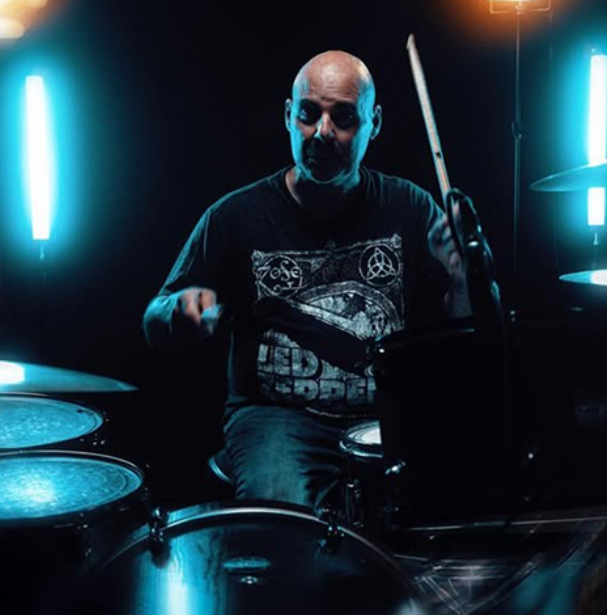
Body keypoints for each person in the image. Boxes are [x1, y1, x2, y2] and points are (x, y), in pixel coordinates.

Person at [143, 50, 473, 510]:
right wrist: (179, 313)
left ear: (374, 123)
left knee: (455, 489)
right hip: (277, 418)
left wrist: (464, 277)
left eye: (343, 117)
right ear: (288, 115)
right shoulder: (235, 216)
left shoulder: (411, 208)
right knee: (282, 514)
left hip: (388, 412)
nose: (322, 132)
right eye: (308, 114)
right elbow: (153, 320)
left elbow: (465, 337)